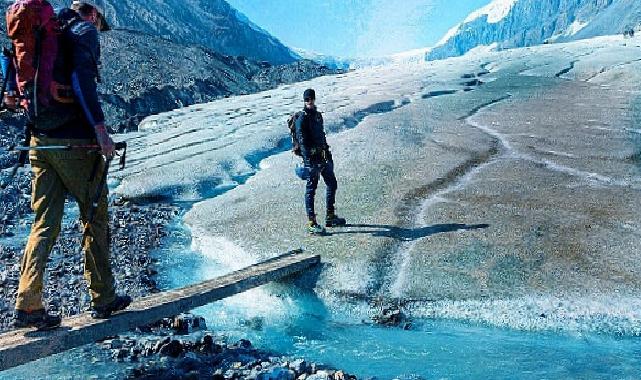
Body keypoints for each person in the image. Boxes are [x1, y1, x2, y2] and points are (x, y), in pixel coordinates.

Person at [13, 2, 130, 330]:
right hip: (74, 144)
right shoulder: (84, 31)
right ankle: (104, 297)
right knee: (94, 216)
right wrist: (101, 129)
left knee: (43, 222)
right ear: (92, 13)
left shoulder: (45, 32)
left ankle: (28, 301)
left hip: (40, 140)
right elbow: (81, 79)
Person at [295, 88, 347, 235]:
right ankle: (311, 222)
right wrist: (308, 162)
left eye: (311, 98)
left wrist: (328, 154)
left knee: (332, 184)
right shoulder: (302, 119)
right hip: (312, 161)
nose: (309, 101)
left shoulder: (317, 116)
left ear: (314, 99)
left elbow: (322, 136)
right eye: (307, 99)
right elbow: (302, 142)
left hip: (323, 157)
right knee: (311, 189)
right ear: (304, 101)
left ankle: (330, 216)